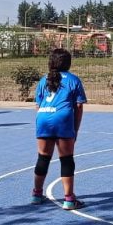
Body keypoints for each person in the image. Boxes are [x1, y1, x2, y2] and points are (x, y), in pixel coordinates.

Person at [30, 49, 87, 210]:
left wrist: (42, 124)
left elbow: (38, 105)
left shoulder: (43, 80)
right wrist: (74, 130)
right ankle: (69, 199)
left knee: (43, 158)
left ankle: (36, 194)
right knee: (67, 159)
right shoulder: (73, 80)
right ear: (68, 63)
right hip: (62, 119)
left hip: (43, 118)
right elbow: (78, 106)